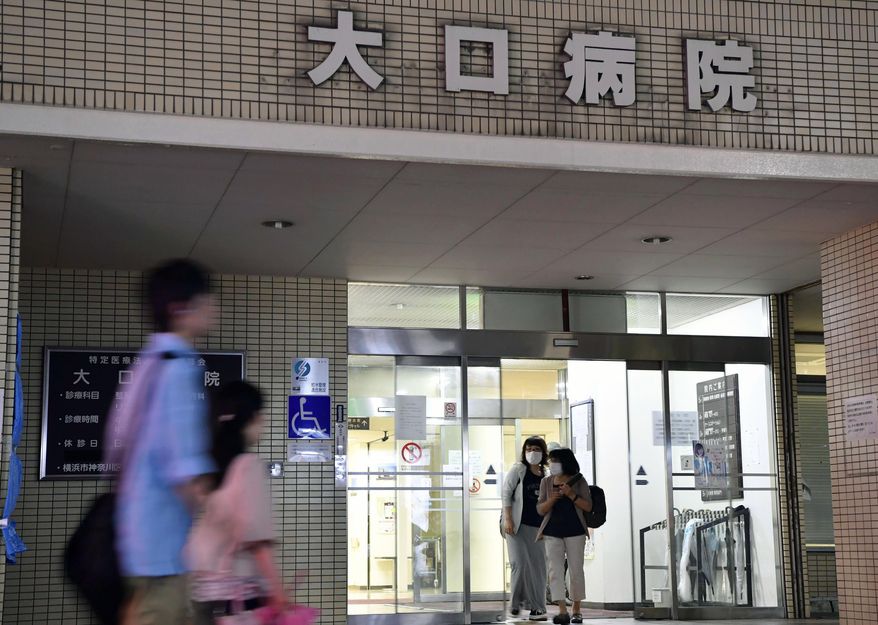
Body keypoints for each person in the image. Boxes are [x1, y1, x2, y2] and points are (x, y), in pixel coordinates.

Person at [108, 259, 218, 625]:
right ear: (179, 309)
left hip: (139, 538)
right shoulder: (177, 367)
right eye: (205, 299)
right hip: (164, 545)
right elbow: (182, 465)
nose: (213, 307)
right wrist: (217, 523)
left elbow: (116, 443)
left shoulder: (149, 362)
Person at [186, 381, 286, 624]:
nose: (264, 421)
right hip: (239, 592)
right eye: (261, 414)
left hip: (202, 590)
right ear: (251, 417)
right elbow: (256, 539)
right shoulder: (248, 466)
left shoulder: (209, 469)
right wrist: (278, 590)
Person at [537, 448, 593, 625]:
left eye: (555, 460)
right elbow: (540, 509)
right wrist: (552, 500)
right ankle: (562, 610)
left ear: (565, 462)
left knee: (576, 570)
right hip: (552, 531)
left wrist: (571, 494)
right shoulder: (546, 482)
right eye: (551, 460)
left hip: (575, 531)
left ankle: (576, 609)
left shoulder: (579, 480)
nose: (552, 464)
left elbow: (588, 506)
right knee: (555, 571)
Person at [502, 437, 549, 621]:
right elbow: (506, 493)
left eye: (536, 449)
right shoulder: (519, 469)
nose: (532, 453)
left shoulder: (546, 474)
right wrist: (507, 519)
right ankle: (515, 604)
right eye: (528, 449)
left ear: (543, 452)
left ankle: (538, 607)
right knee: (520, 564)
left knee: (538, 568)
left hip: (538, 527)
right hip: (516, 526)